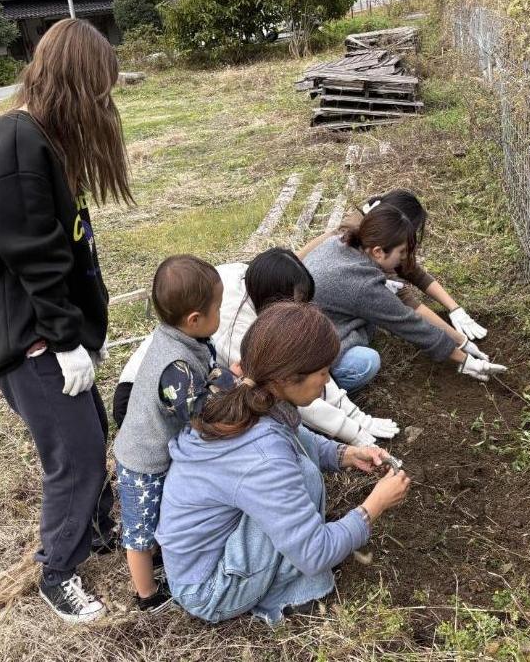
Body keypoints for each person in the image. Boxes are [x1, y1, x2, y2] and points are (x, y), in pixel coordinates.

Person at [0, 18, 132, 623]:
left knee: (91, 428)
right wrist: (63, 341)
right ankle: (58, 570)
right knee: (75, 454)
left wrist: (86, 329)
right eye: (98, 92)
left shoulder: (43, 141)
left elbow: (69, 247)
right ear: (75, 83)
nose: (103, 105)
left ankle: (104, 528)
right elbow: (33, 257)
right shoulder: (17, 146)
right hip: (27, 337)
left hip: (54, 331)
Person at [155, 301, 411, 625]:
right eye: (322, 373)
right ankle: (281, 593)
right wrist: (373, 506)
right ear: (289, 378)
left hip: (203, 556)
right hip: (209, 589)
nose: (327, 380)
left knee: (299, 470)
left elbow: (295, 434)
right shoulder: (264, 456)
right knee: (303, 476)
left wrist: (343, 454)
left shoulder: (249, 394)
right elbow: (315, 552)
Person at [113, 249, 400, 446]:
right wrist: (352, 433)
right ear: (273, 301)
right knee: (256, 422)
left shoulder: (255, 277)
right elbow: (291, 390)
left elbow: (310, 366)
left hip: (196, 387)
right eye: (294, 305)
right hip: (145, 401)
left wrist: (357, 416)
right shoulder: (230, 323)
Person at [113, 255, 230, 614]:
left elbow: (211, 372)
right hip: (143, 462)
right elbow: (199, 415)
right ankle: (146, 594)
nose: (220, 316)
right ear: (195, 319)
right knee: (140, 530)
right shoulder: (175, 369)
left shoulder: (184, 338)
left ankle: (157, 560)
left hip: (158, 451)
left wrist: (227, 378)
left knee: (159, 516)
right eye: (218, 309)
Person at [302, 204, 507, 391]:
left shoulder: (341, 242)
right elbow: (410, 324)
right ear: (378, 252)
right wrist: (465, 360)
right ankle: (323, 390)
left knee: (372, 322)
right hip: (307, 352)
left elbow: (411, 285)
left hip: (308, 322)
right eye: (401, 252)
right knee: (365, 363)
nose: (403, 258)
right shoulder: (362, 285)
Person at [298, 189, 489, 340]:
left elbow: (412, 271)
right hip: (306, 308)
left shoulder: (376, 228)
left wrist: (455, 309)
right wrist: (457, 340)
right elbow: (406, 305)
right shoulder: (359, 246)